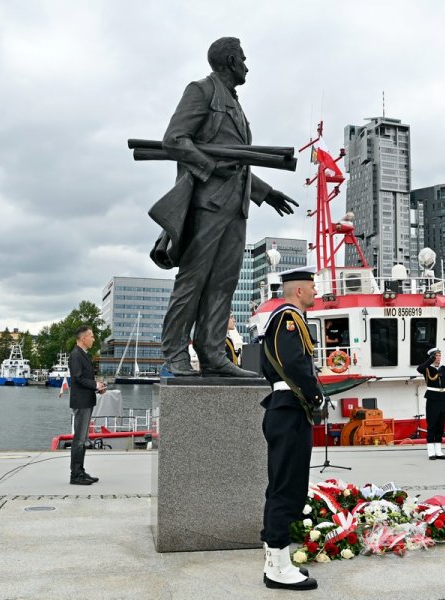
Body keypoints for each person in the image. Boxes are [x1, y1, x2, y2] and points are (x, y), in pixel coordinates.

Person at [152, 37, 298, 378]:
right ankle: (175, 352)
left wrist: (266, 192)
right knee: (193, 279)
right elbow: (174, 140)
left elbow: (238, 162)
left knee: (223, 283)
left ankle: (213, 352)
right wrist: (209, 167)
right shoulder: (202, 90)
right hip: (207, 204)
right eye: (243, 59)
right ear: (231, 60)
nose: (247, 66)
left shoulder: (234, 101)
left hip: (236, 207)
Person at [259, 266, 320, 591]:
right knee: (287, 488)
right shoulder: (288, 319)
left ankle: (276, 558)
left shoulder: (287, 318)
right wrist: (315, 394)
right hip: (289, 410)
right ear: (299, 290)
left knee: (284, 486)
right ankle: (278, 568)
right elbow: (294, 363)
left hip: (286, 410)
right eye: (312, 287)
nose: (315, 291)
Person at [68, 325, 106, 485]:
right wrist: (95, 385)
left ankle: (80, 471)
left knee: (83, 439)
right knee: (79, 439)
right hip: (81, 402)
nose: (93, 338)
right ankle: (75, 475)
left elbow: (84, 380)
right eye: (91, 336)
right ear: (83, 338)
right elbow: (77, 379)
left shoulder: (83, 354)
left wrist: (98, 388)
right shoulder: (76, 355)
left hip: (86, 400)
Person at [416, 347, 445, 460]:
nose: (439, 357)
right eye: (436, 355)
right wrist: (429, 360)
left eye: (440, 355)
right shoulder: (427, 368)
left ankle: (439, 451)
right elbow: (419, 369)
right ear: (432, 357)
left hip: (442, 398)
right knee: (432, 425)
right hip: (432, 399)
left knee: (440, 426)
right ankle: (431, 451)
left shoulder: (444, 368)